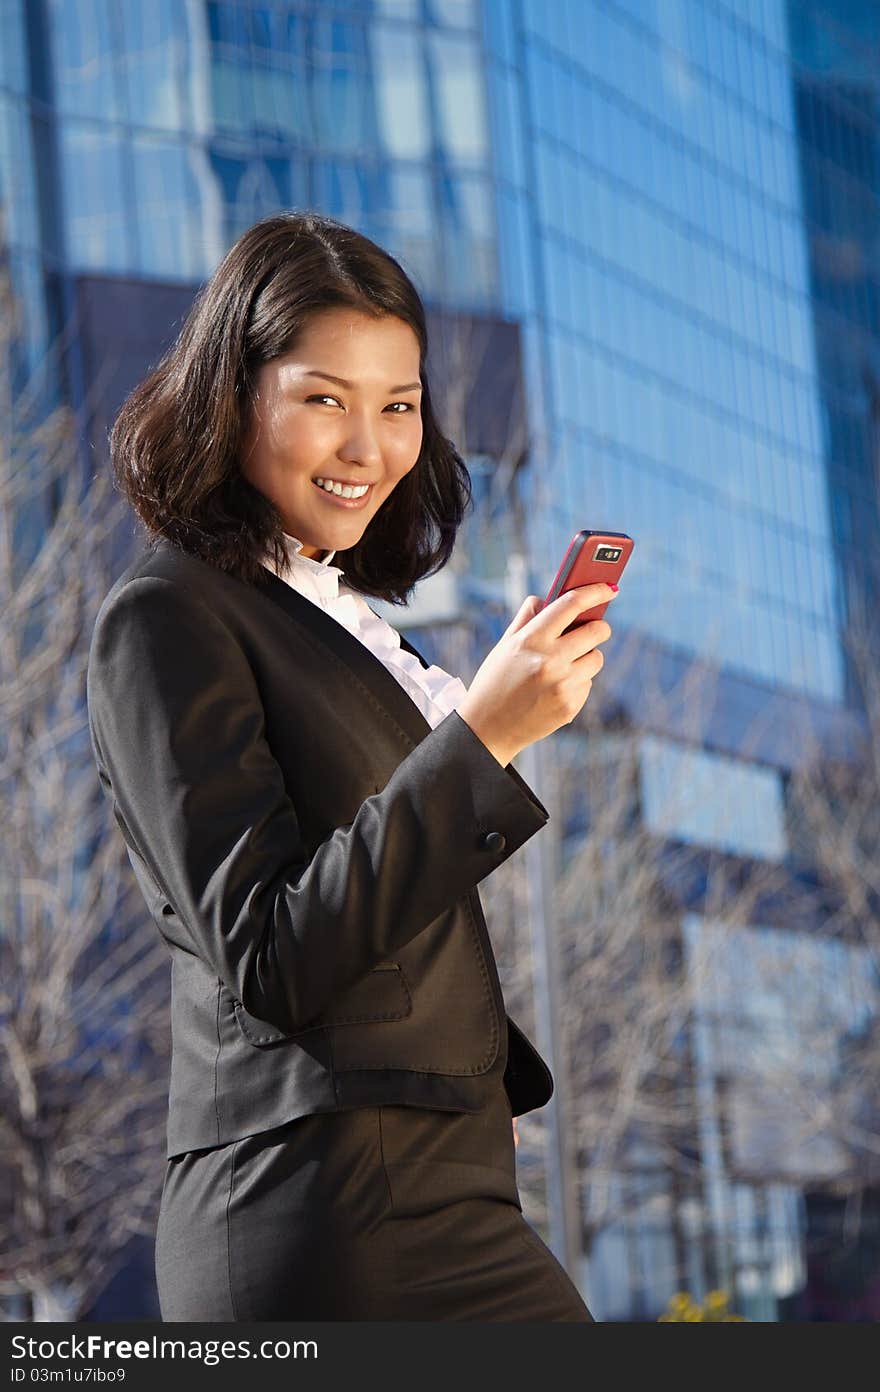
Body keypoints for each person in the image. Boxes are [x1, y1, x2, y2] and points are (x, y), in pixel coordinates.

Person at [86, 210, 616, 1322]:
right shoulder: (166, 618)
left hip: (440, 1180)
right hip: (321, 1203)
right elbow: (272, 952)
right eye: (325, 400)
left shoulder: (342, 620)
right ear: (234, 398)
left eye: (399, 406)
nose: (368, 447)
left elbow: (380, 895)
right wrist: (483, 741)